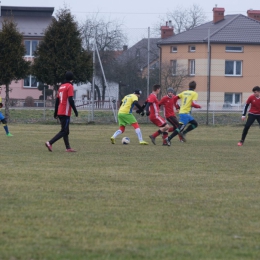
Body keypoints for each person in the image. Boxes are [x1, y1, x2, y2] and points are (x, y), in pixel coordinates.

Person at [45, 71, 78, 152]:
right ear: (72, 79)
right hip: (65, 112)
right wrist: (75, 110)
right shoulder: (69, 86)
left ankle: (68, 148)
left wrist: (55, 112)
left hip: (60, 111)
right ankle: (50, 142)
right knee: (64, 131)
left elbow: (57, 101)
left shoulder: (61, 86)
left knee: (66, 131)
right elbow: (70, 99)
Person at [165, 81, 201, 146]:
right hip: (185, 113)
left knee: (195, 124)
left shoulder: (184, 92)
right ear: (195, 87)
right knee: (180, 128)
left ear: (189, 86)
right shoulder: (194, 93)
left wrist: (176, 106)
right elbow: (193, 104)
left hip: (185, 113)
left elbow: (175, 98)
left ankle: (184, 133)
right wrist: (198, 106)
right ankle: (168, 138)